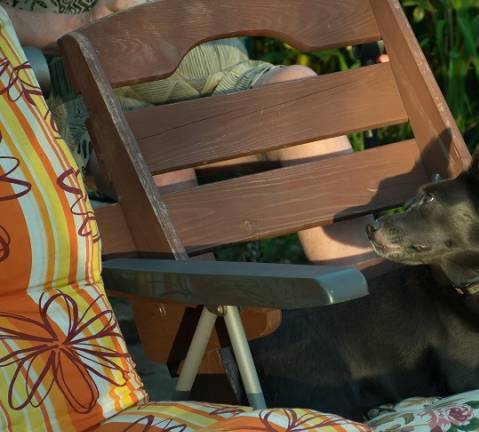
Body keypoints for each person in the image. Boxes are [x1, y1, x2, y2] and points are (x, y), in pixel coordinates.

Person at [4, 0, 375, 266]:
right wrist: (88, 22)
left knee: (298, 92)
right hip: (91, 95)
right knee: (157, 153)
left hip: (212, 72)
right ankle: (214, 333)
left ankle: (375, 305)